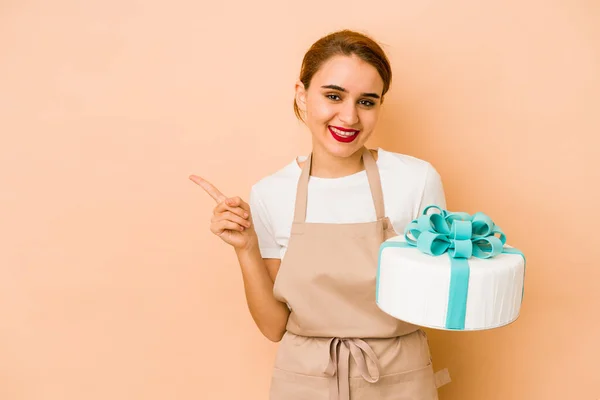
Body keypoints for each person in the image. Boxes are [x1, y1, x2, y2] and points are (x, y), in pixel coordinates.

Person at [191, 29, 448, 400]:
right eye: (333, 96)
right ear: (301, 94)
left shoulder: (416, 180)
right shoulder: (271, 193)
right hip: (305, 381)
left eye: (367, 102)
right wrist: (245, 248)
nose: (349, 116)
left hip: (397, 378)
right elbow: (274, 326)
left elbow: (436, 300)